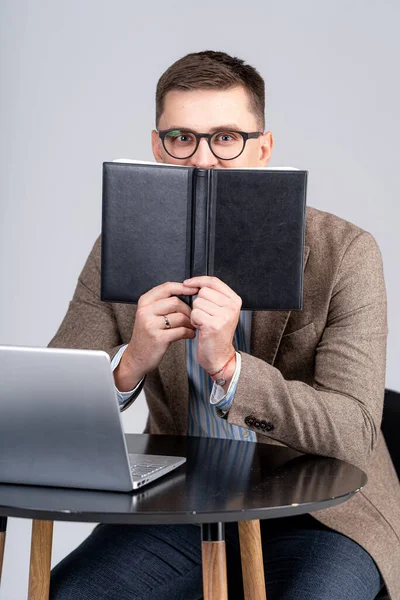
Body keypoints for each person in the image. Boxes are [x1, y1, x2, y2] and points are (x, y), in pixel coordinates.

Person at [48, 50, 399, 600]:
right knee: (70, 593)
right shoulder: (118, 249)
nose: (204, 159)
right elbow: (50, 406)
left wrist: (231, 369)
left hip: (325, 511)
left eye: (227, 137)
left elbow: (355, 434)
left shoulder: (345, 253)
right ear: (157, 147)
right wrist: (129, 365)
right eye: (182, 138)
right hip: (184, 505)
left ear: (264, 148)